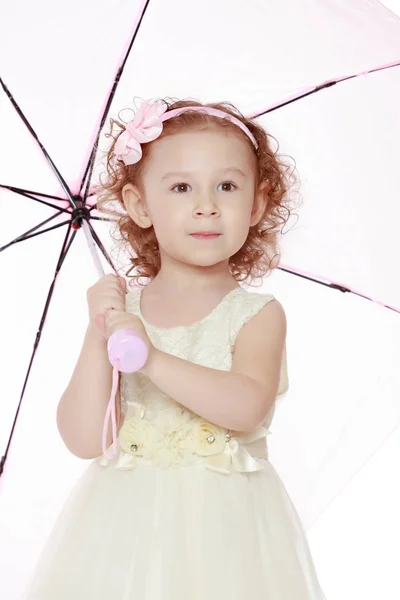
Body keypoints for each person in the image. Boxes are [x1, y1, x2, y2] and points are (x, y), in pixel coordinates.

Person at [21, 98, 326, 599]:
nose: (206, 205)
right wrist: (102, 333)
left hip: (229, 528)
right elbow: (83, 439)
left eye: (226, 186)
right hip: (124, 528)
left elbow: (247, 407)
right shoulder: (120, 315)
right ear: (140, 205)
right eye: (181, 187)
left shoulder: (256, 315)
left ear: (257, 203)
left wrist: (152, 359)